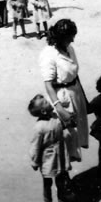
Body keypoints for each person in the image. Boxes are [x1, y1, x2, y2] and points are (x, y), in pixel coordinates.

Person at [39, 19, 89, 164]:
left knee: (74, 137)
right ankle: (62, 177)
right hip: (61, 97)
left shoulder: (69, 49)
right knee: (64, 137)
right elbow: (48, 85)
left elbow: (74, 74)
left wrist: (84, 100)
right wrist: (60, 109)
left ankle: (66, 171)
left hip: (75, 93)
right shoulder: (49, 54)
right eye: (70, 37)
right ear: (60, 38)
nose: (73, 40)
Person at [28, 94, 71, 202]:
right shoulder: (39, 127)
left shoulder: (55, 117)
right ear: (43, 111)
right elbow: (35, 146)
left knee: (60, 182)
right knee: (47, 183)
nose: (49, 102)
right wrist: (34, 161)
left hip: (60, 156)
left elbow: (62, 125)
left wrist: (69, 122)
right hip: (47, 160)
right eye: (46, 102)